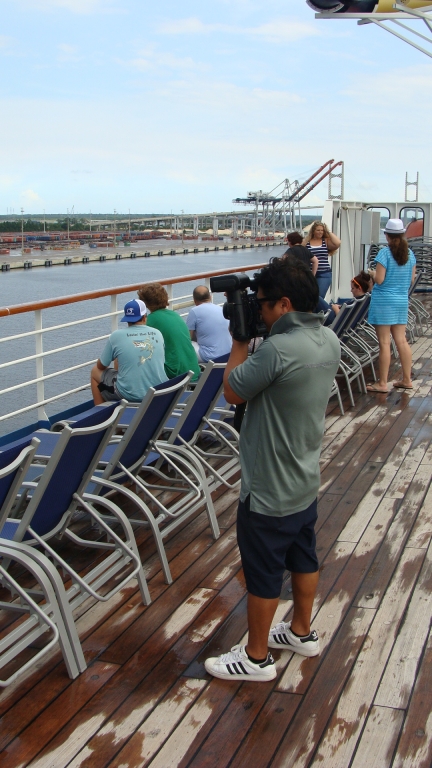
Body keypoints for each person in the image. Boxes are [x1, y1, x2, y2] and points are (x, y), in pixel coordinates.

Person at [204, 258, 341, 682]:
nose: (259, 312)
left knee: (262, 571)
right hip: (303, 477)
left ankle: (257, 657)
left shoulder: (280, 350)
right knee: (303, 556)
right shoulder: (326, 339)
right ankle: (301, 632)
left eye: (262, 305)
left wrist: (240, 338)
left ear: (283, 305)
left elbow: (231, 390)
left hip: (267, 487)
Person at [366, 218, 416, 394]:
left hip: (384, 302)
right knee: (401, 340)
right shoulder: (410, 255)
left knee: (384, 343)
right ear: (402, 234)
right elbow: (410, 280)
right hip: (401, 301)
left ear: (386, 235)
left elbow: (379, 280)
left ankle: (382, 383)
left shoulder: (384, 254)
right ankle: (407, 379)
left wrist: (372, 273)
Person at [90, 298, 167, 404]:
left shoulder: (116, 336)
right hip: (158, 392)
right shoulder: (157, 333)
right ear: (145, 317)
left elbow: (101, 366)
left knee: (94, 371)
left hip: (129, 395)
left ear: (127, 319)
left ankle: (99, 414)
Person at [137, 283, 200, 381]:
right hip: (193, 370)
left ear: (144, 303)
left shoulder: (150, 321)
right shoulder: (174, 315)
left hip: (176, 374)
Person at [186, 285, 232, 362]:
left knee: (186, 346)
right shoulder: (221, 309)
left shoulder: (194, 311)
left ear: (194, 300)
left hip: (210, 357)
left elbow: (188, 338)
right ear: (210, 297)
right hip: (228, 354)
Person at [303, 221, 341, 298]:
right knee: (309, 297)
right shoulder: (307, 242)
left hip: (324, 274)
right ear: (313, 231)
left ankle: (322, 310)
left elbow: (338, 243)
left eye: (322, 230)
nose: (320, 232)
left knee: (319, 297)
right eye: (318, 230)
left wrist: (328, 231)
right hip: (310, 274)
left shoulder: (325, 241)